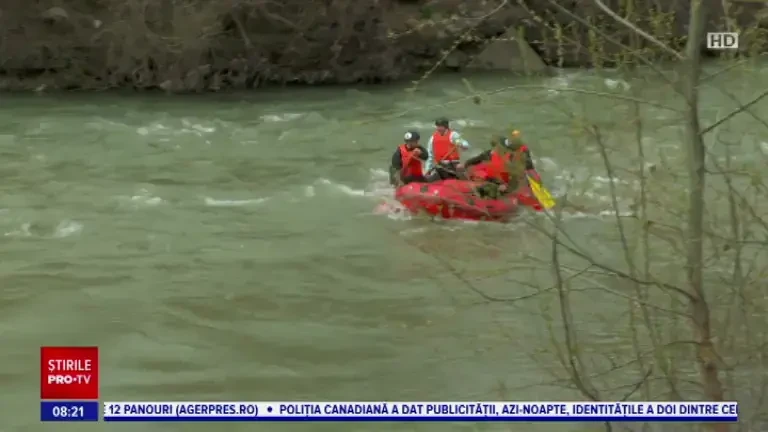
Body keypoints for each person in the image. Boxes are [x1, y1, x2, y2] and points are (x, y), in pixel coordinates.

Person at [460, 131, 536, 199]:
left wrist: (507, 187)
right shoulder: (489, 153)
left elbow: (515, 178)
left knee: (488, 190)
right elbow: (476, 159)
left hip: (503, 185)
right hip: (490, 180)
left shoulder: (512, 159)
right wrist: (465, 164)